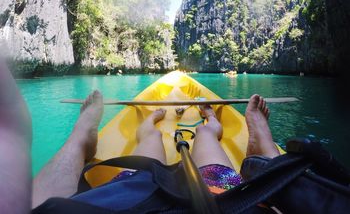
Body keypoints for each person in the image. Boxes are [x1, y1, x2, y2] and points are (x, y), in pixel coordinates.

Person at [0, 60, 280, 212]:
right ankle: (232, 135)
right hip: (230, 200)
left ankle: (84, 138)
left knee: (144, 166)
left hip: (131, 200)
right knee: (207, 140)